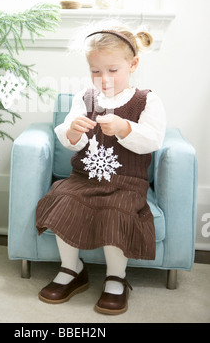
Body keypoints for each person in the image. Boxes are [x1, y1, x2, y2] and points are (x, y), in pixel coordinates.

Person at [36, 24, 166, 315]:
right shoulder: (85, 97)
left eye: (112, 70)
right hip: (85, 178)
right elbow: (70, 138)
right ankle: (72, 269)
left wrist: (124, 127)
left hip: (126, 182)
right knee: (64, 200)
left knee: (115, 211)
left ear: (132, 65)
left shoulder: (146, 100)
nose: (103, 79)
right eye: (96, 71)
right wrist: (73, 131)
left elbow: (153, 140)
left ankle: (116, 277)